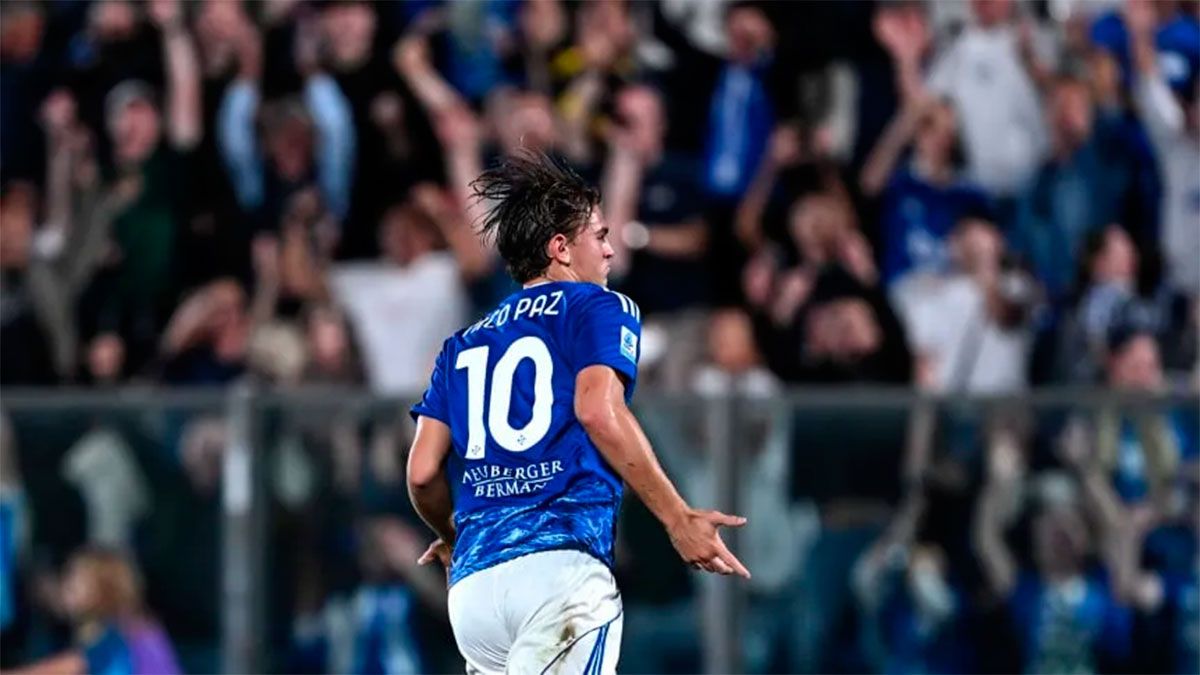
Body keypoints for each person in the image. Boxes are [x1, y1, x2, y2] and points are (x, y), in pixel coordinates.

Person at [405, 151, 750, 675]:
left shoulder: (463, 343)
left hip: (474, 593)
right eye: (600, 236)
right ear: (561, 248)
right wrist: (677, 517)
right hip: (559, 577)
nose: (610, 250)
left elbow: (421, 472)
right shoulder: (599, 306)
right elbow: (598, 412)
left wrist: (453, 536)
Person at [7, 546, 181, 675]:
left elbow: (57, 669)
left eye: (78, 581)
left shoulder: (114, 637)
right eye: (69, 577)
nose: (67, 586)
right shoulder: (97, 633)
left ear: (103, 592)